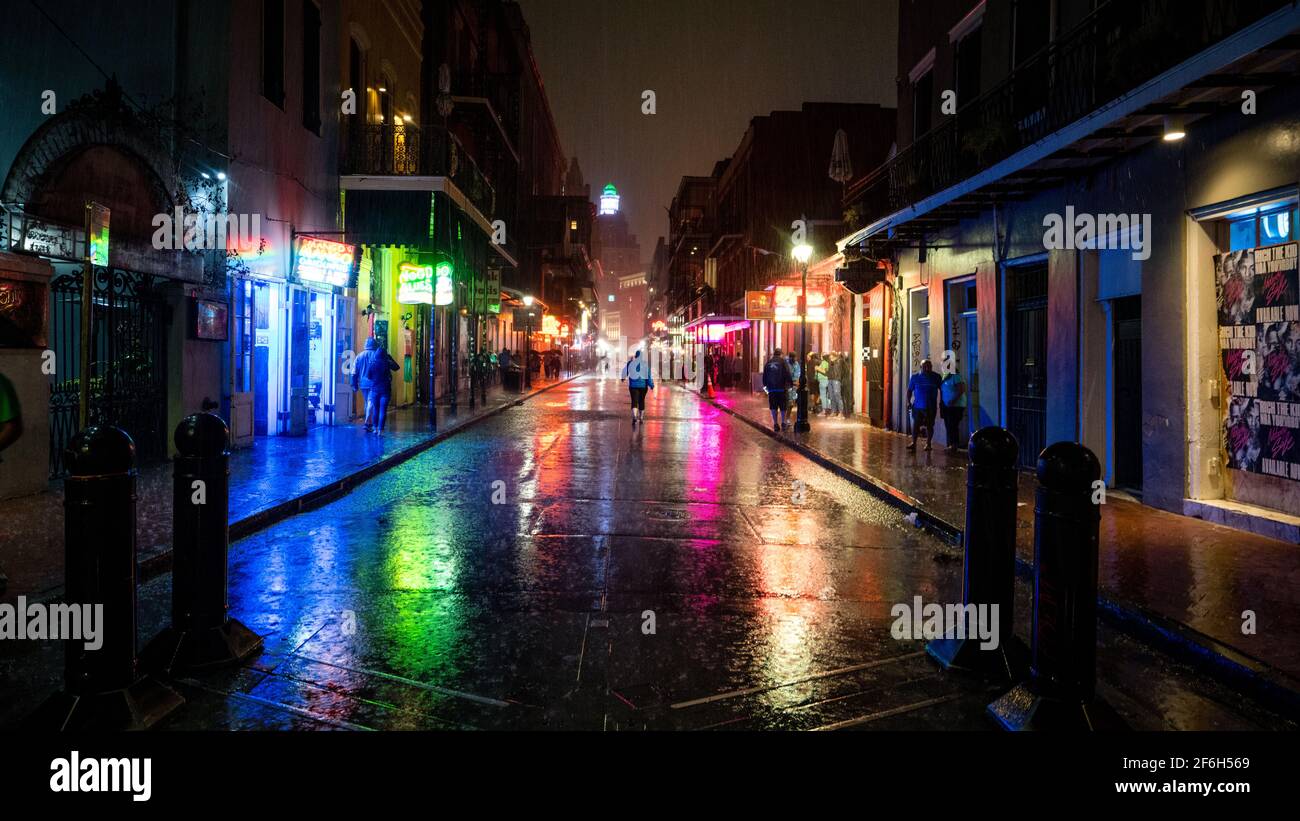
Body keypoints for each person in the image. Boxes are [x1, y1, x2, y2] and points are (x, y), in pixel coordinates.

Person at [352, 337, 400, 433]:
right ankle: (369, 424)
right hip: (375, 384)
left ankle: (370, 424)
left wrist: (354, 384)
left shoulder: (359, 356)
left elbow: (354, 372)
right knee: (372, 404)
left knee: (368, 402)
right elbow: (395, 367)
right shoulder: (379, 355)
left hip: (364, 384)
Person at [907, 358, 943, 451]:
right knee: (915, 425)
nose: (927, 368)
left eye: (929, 366)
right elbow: (909, 390)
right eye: (925, 367)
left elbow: (942, 390)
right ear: (920, 367)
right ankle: (914, 443)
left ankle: (928, 444)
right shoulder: (915, 377)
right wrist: (908, 401)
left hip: (931, 407)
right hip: (917, 406)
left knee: (930, 425)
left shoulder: (936, 377)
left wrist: (942, 401)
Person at [621, 348, 655, 428]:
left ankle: (634, 417)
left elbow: (625, 371)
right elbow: (648, 376)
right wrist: (651, 385)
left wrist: (623, 378)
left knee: (634, 401)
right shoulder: (645, 364)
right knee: (641, 401)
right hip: (643, 386)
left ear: (636, 356)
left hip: (633, 386)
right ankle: (641, 418)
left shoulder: (631, 363)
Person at [762, 348, 794, 432]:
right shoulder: (783, 362)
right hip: (782, 388)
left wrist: (766, 386)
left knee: (773, 406)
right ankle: (783, 422)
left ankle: (775, 424)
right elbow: (788, 373)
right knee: (783, 406)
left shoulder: (768, 363)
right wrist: (790, 384)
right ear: (781, 354)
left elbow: (764, 375)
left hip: (771, 389)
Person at [939, 365, 968, 453]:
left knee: (952, 425)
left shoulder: (956, 376)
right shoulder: (945, 377)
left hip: (955, 406)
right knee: (949, 425)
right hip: (947, 406)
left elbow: (961, 389)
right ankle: (951, 445)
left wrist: (953, 400)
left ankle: (954, 445)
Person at [824, 352, 844, 417]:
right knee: (831, 396)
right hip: (830, 379)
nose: (830, 358)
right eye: (830, 357)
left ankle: (841, 412)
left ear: (835, 357)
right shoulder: (830, 362)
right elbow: (825, 356)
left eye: (831, 357)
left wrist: (835, 358)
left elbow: (838, 370)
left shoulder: (838, 361)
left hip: (836, 379)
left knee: (837, 394)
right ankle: (834, 411)